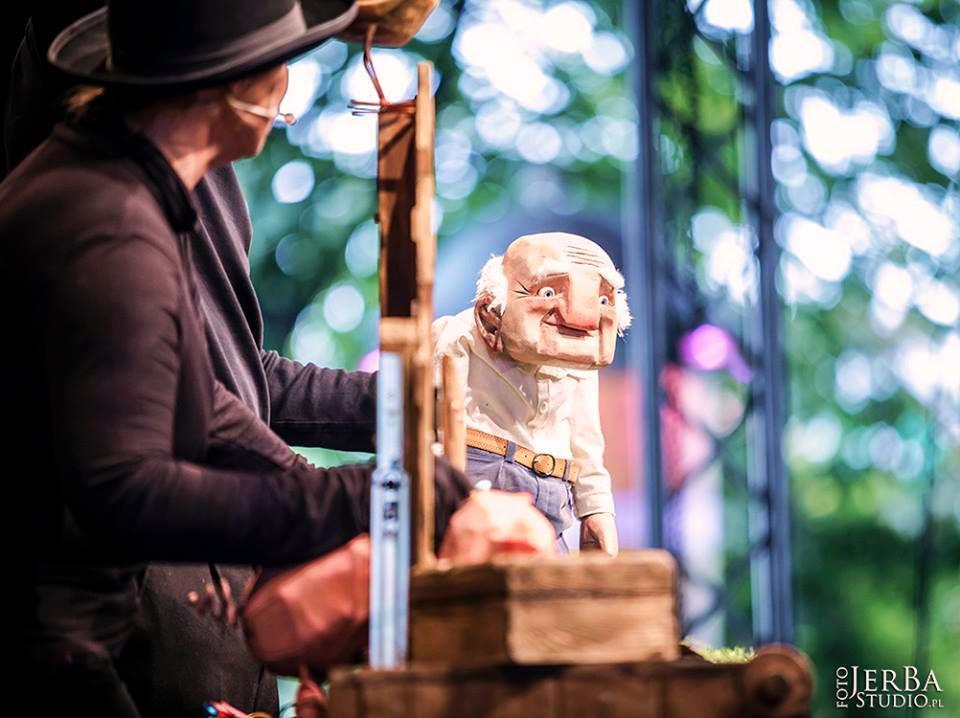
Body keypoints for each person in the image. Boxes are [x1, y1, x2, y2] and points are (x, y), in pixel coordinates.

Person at [0, 1, 472, 715]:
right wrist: (371, 500)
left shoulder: (125, 187)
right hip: (57, 654)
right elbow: (127, 493)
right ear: (230, 85)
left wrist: (374, 488)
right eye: (281, 60)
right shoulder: (108, 222)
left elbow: (209, 402)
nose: (289, 82)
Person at [433, 232, 632, 556]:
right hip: (485, 483)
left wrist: (596, 509)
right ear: (489, 312)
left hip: (555, 495)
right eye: (548, 292)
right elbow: (436, 422)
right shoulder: (458, 335)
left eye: (602, 300)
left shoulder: (577, 354)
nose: (578, 315)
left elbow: (585, 438)